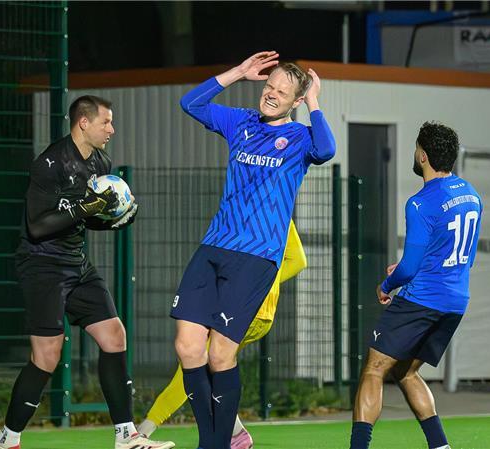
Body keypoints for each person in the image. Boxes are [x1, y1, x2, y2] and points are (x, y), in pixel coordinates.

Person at [172, 51, 335, 449]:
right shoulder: (241, 122)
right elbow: (189, 103)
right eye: (268, 86)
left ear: (295, 100)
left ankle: (214, 444)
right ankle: (214, 440)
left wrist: (314, 101)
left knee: (220, 355)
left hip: (256, 258)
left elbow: (327, 149)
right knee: (187, 346)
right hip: (213, 247)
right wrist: (238, 73)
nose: (271, 94)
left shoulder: (299, 138)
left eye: (282, 91)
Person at [0, 96, 172, 449]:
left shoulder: (101, 162)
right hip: (41, 264)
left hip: (76, 262)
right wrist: (88, 205)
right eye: (106, 122)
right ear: (83, 123)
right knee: (47, 356)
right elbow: (38, 226)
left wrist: (116, 219)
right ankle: (7, 439)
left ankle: (126, 435)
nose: (112, 130)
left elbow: (87, 220)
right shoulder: (49, 163)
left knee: (114, 336)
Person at [348, 122, 482, 449]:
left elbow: (407, 269)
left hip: (422, 299)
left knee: (374, 370)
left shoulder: (420, 203)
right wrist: (414, 268)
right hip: (455, 300)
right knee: (405, 371)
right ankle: (440, 445)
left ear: (422, 155)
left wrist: (386, 284)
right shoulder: (470, 193)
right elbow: (461, 254)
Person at [138, 221, 306, 449]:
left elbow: (297, 261)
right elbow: (296, 261)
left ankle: (144, 431)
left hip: (251, 309)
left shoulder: (270, 208)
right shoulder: (255, 208)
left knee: (196, 359)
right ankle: (236, 433)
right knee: (201, 359)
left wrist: (257, 286)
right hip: (246, 306)